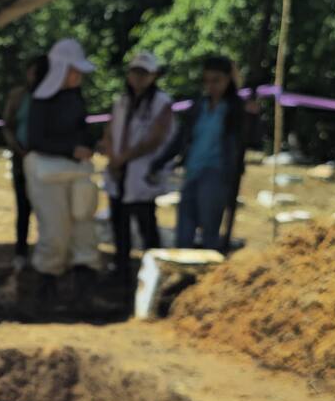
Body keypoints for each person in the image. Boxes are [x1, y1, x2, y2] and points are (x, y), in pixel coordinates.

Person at [150, 56, 258, 251]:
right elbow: (181, 139)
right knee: (184, 231)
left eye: (216, 80)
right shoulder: (198, 106)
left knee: (210, 231)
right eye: (207, 80)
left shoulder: (236, 109)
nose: (211, 85)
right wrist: (158, 162)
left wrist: (252, 118)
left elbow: (252, 139)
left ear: (228, 79)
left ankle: (209, 275)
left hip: (217, 174)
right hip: (192, 171)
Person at [24, 38, 101, 305]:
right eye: (74, 70)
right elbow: (35, 140)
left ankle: (84, 294)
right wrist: (70, 149)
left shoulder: (75, 97)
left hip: (77, 174)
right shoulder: (40, 100)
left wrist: (92, 143)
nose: (78, 75)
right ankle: (45, 294)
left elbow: (82, 129)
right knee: (55, 232)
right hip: (47, 175)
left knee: (84, 231)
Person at [101, 51, 174, 291]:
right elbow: (110, 131)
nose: (138, 78)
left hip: (141, 173)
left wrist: (125, 158)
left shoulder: (161, 102)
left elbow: (156, 137)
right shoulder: (122, 101)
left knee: (146, 226)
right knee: (119, 225)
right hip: (119, 172)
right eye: (135, 72)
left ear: (153, 76)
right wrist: (114, 158)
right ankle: (121, 272)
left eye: (144, 73)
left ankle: (154, 276)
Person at [1, 55, 49, 269]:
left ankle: (44, 252)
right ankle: (21, 252)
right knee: (23, 209)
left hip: (44, 162)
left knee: (45, 210)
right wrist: (18, 150)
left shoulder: (50, 97)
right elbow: (7, 125)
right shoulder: (18, 96)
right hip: (22, 160)